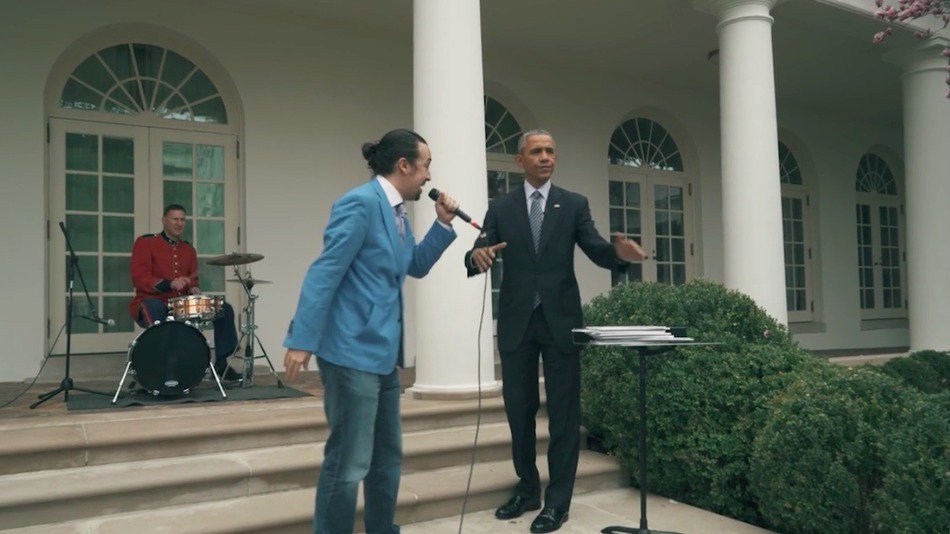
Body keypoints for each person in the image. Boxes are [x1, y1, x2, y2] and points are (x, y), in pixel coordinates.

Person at [464, 130, 645, 533]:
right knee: (519, 411)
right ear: (520, 160)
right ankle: (527, 489)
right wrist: (476, 256)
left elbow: (596, 247)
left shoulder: (573, 204)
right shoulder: (501, 207)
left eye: (550, 151)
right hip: (517, 323)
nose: (545, 157)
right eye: (536, 151)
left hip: (561, 322)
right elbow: (479, 249)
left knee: (564, 415)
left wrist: (619, 255)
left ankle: (558, 503)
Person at [282, 128, 459, 534]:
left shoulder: (397, 213)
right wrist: (302, 340)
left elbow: (414, 265)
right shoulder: (360, 203)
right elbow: (325, 272)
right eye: (426, 165)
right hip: (349, 353)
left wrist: (442, 225)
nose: (429, 176)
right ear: (404, 165)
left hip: (381, 355)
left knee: (386, 458)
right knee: (349, 463)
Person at [128, 204, 240, 380]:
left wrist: (193, 288)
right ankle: (162, 367)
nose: (179, 223)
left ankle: (221, 364)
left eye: (182, 220)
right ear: (164, 220)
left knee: (225, 309)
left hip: (181, 305)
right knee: (154, 307)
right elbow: (139, 278)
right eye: (175, 219)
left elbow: (192, 281)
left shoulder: (188, 249)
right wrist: (169, 283)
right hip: (152, 300)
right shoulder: (146, 242)